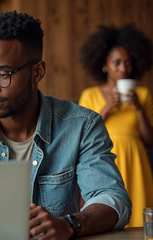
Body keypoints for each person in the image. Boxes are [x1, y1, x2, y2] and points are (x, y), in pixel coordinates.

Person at [0, 11, 131, 239]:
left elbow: (113, 198)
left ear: (38, 72)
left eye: (3, 73)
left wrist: (69, 224)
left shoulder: (82, 126)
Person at [79, 24, 153, 227]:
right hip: (104, 164)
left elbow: (150, 141)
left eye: (128, 63)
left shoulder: (143, 95)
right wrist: (106, 109)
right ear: (105, 64)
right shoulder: (90, 95)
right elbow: (80, 135)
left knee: (141, 222)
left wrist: (138, 108)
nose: (123, 68)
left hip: (137, 165)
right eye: (117, 63)